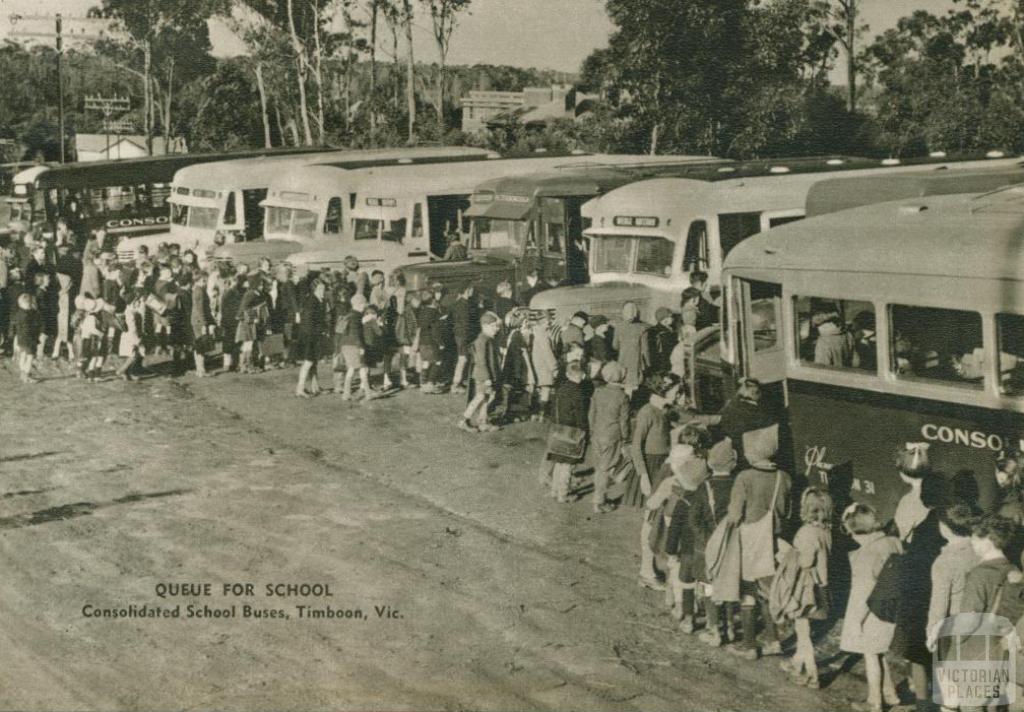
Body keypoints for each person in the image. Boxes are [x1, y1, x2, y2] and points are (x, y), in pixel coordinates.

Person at [726, 424, 792, 660]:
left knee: (747, 591)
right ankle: (774, 640)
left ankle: (749, 644)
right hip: (774, 539)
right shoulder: (783, 478)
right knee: (767, 591)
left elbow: (735, 514)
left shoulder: (744, 477)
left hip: (750, 540)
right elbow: (787, 511)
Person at [840, 503, 903, 712]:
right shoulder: (893, 541)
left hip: (874, 612)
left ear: (852, 530)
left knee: (870, 654)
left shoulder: (866, 554)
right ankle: (890, 693)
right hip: (894, 608)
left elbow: (863, 593)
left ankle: (874, 701)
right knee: (881, 651)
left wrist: (857, 622)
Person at [779, 488, 833, 689]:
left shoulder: (806, 532)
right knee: (805, 629)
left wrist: (787, 552)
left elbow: (805, 561)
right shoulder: (825, 531)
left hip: (806, 588)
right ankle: (796, 662)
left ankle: (811, 673)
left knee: (802, 632)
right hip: (822, 586)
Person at [925, 504, 982, 670]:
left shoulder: (944, 562)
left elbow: (939, 606)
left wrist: (931, 633)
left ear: (945, 528)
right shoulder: (982, 549)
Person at [694, 438, 739, 647]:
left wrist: (705, 539)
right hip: (733, 545)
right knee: (730, 585)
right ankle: (729, 626)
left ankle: (714, 628)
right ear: (733, 462)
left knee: (708, 586)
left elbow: (694, 519)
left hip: (709, 544)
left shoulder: (705, 487)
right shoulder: (738, 485)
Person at [662, 450, 711, 632]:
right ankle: (709, 615)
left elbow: (674, 530)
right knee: (707, 585)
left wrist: (671, 550)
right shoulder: (706, 501)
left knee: (688, 585)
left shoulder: (683, 504)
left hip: (688, 552)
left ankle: (689, 619)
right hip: (705, 551)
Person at [539, 361, 591, 502]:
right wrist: (585, 432)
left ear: (568, 374)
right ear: (583, 375)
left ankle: (554, 490)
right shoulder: (579, 393)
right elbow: (581, 416)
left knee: (558, 461)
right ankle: (563, 493)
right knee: (568, 465)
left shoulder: (561, 389)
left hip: (557, 429)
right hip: (572, 431)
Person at [588, 362, 631, 514]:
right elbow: (623, 421)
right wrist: (626, 438)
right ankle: (599, 501)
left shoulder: (598, 392)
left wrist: (592, 430)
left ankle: (598, 497)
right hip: (612, 436)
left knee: (599, 467)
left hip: (597, 433)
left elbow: (591, 414)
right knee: (605, 470)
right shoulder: (623, 396)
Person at [718, 378, 776, 468]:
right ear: (754, 393)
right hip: (756, 457)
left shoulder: (729, 407)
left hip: (736, 457)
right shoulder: (757, 412)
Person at [460, 311, 502, 432]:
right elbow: (481, 361)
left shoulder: (488, 340)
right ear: (485, 326)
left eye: (497, 326)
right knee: (480, 396)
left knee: (486, 397)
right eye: (494, 326)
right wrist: (487, 378)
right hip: (483, 376)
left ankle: (482, 422)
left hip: (486, 375)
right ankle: (464, 420)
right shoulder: (482, 341)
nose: (497, 329)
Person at [295, 279, 327, 398]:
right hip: (309, 337)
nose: (323, 291)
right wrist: (318, 332)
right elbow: (308, 322)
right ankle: (300, 388)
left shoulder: (319, 300)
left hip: (314, 336)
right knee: (308, 362)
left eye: (323, 289)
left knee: (313, 363)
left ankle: (315, 387)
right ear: (314, 290)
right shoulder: (311, 302)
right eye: (320, 289)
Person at [613, 301, 649, 397]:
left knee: (623, 386)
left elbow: (615, 346)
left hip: (622, 361)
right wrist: (648, 365)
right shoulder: (642, 328)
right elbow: (645, 350)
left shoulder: (618, 327)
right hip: (635, 362)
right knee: (633, 389)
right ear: (636, 313)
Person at [450, 283, 480, 394]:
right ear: (467, 290)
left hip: (459, 335)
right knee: (463, 360)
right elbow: (466, 323)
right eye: (471, 289)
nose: (472, 291)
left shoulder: (457, 303)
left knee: (463, 359)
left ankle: (459, 382)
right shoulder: (465, 304)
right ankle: (456, 384)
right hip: (464, 336)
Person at [13, 292, 39, 383]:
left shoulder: (19, 313)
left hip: (21, 339)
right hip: (29, 339)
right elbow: (30, 329)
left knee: (23, 355)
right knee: (30, 357)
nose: (30, 305)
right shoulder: (27, 316)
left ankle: (22, 372)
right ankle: (26, 375)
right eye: (29, 303)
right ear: (25, 303)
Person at [648, 306, 677, 375]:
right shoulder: (666, 333)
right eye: (671, 317)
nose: (673, 319)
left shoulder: (654, 329)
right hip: (665, 363)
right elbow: (671, 349)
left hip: (656, 362)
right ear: (665, 320)